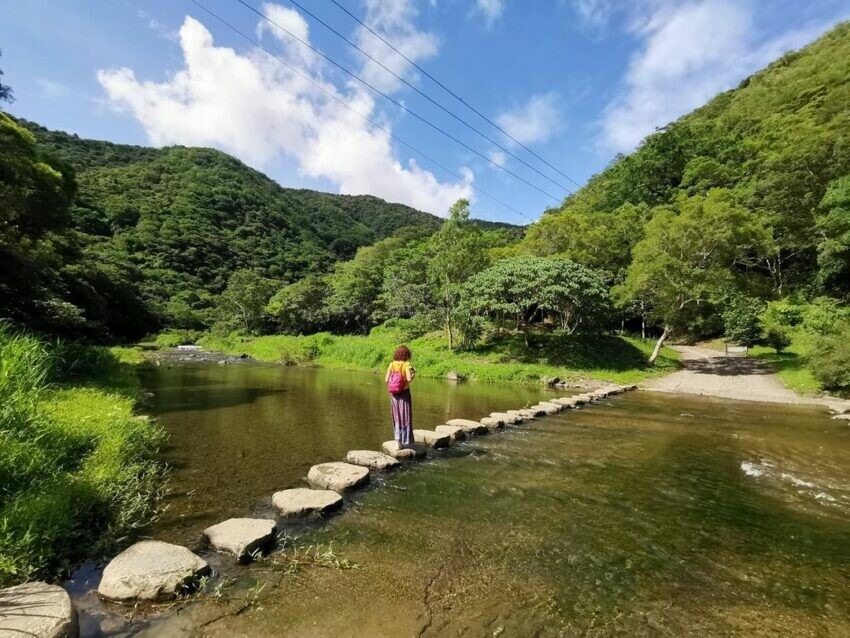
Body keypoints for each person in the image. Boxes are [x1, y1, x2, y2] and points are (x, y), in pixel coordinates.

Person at [385, 345, 415, 448]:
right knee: (405, 417)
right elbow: (409, 379)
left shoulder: (391, 365)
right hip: (404, 394)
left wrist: (394, 382)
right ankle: (404, 441)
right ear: (406, 355)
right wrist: (413, 375)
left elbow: (386, 380)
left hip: (393, 394)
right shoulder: (406, 365)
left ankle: (397, 441)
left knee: (396, 417)